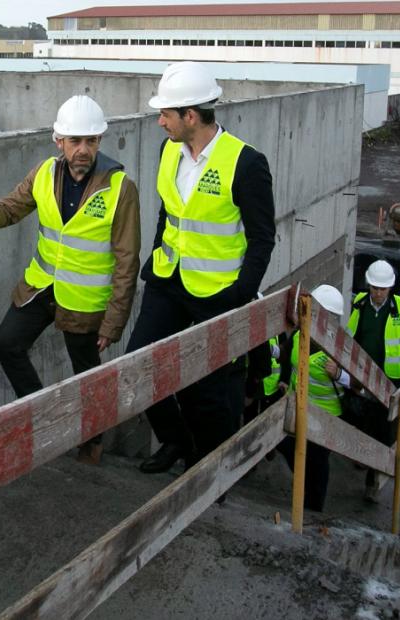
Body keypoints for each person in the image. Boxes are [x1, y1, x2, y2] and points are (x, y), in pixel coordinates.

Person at [0, 95, 140, 466]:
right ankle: (42, 416)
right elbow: (10, 208)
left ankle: (92, 443)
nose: (83, 150)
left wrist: (114, 321)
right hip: (41, 288)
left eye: (91, 141)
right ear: (58, 141)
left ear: (100, 141)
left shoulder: (120, 188)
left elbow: (128, 261)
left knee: (86, 375)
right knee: (7, 343)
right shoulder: (44, 173)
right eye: (75, 141)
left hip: (84, 301)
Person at [130, 61, 277, 474]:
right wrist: (158, 253)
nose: (160, 122)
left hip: (218, 292)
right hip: (168, 279)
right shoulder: (168, 150)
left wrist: (240, 296)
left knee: (208, 390)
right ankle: (175, 439)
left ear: (191, 116)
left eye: (166, 114)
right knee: (140, 362)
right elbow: (169, 213)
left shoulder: (245, 163)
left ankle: (208, 469)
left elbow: (262, 238)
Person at [345, 259, 400, 501]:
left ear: (390, 288)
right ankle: (364, 457)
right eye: (375, 288)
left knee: (383, 426)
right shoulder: (359, 304)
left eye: (383, 288)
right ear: (369, 285)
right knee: (361, 417)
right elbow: (353, 336)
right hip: (364, 375)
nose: (378, 293)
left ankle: (374, 478)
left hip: (390, 379)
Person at [274, 285, 348, 512]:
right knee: (289, 447)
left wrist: (340, 374)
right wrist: (282, 376)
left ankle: (313, 509)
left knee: (317, 462)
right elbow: (287, 356)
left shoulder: (341, 346)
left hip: (326, 415)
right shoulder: (300, 333)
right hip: (299, 407)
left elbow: (359, 384)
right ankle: (305, 495)